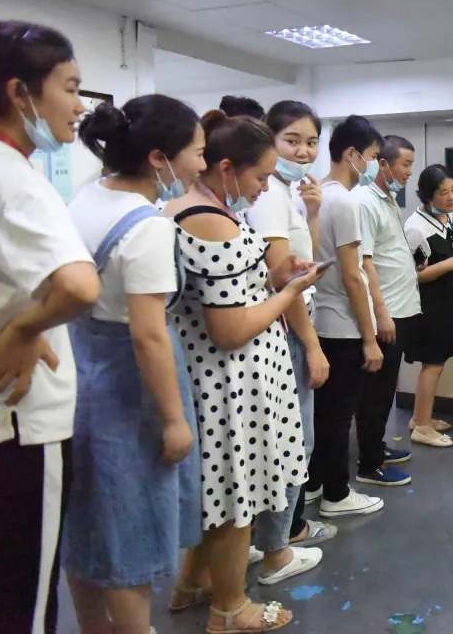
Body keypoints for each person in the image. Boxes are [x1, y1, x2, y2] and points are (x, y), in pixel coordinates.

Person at [163, 111, 321, 632]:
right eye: (260, 177)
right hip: (228, 384)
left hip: (221, 377)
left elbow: (231, 287)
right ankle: (230, 607)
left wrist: (275, 275)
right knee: (234, 499)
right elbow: (230, 328)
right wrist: (288, 293)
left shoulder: (197, 209)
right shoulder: (212, 219)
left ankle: (193, 581)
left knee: (219, 494)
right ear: (227, 167)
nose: (264, 188)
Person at [64, 94, 204, 634]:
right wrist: (173, 420)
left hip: (79, 373)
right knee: (132, 526)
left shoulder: (86, 197)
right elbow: (148, 335)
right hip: (128, 389)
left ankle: (93, 627)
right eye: (196, 152)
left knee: (86, 521)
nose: (198, 165)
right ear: (158, 158)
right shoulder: (147, 227)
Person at [0, 20, 101, 634]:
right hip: (22, 421)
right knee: (22, 601)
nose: (80, 106)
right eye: (71, 88)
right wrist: (26, 329)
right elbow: (79, 286)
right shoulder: (13, 178)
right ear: (19, 93)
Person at [245, 101, 336, 575]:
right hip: (288, 322)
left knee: (292, 436)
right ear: (269, 140)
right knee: (293, 438)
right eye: (292, 141)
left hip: (296, 313)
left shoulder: (286, 193)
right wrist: (314, 345)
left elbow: (306, 260)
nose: (303, 152)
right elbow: (287, 280)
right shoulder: (269, 196)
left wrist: (313, 211)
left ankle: (272, 539)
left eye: (311, 142)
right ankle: (276, 547)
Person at [309, 115, 386, 516]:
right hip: (343, 325)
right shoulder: (344, 201)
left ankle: (314, 483)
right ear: (352, 153)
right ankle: (336, 494)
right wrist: (370, 338)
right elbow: (353, 276)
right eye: (373, 156)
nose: (374, 165)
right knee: (339, 416)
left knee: (322, 414)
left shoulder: (317, 196)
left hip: (319, 321)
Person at [351, 134, 420, 486]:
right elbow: (364, 264)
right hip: (387, 312)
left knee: (385, 389)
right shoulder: (364, 201)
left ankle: (376, 447)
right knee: (375, 394)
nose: (409, 172)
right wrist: (381, 315)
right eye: (405, 164)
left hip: (401, 308)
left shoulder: (388, 199)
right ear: (383, 163)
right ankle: (369, 464)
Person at [403, 164, 453, 447]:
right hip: (429, 306)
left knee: (438, 363)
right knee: (432, 365)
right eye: (443, 192)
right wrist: (448, 266)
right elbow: (412, 275)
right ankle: (421, 427)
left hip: (449, 301)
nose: (451, 197)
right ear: (428, 196)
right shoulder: (415, 228)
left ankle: (422, 417)